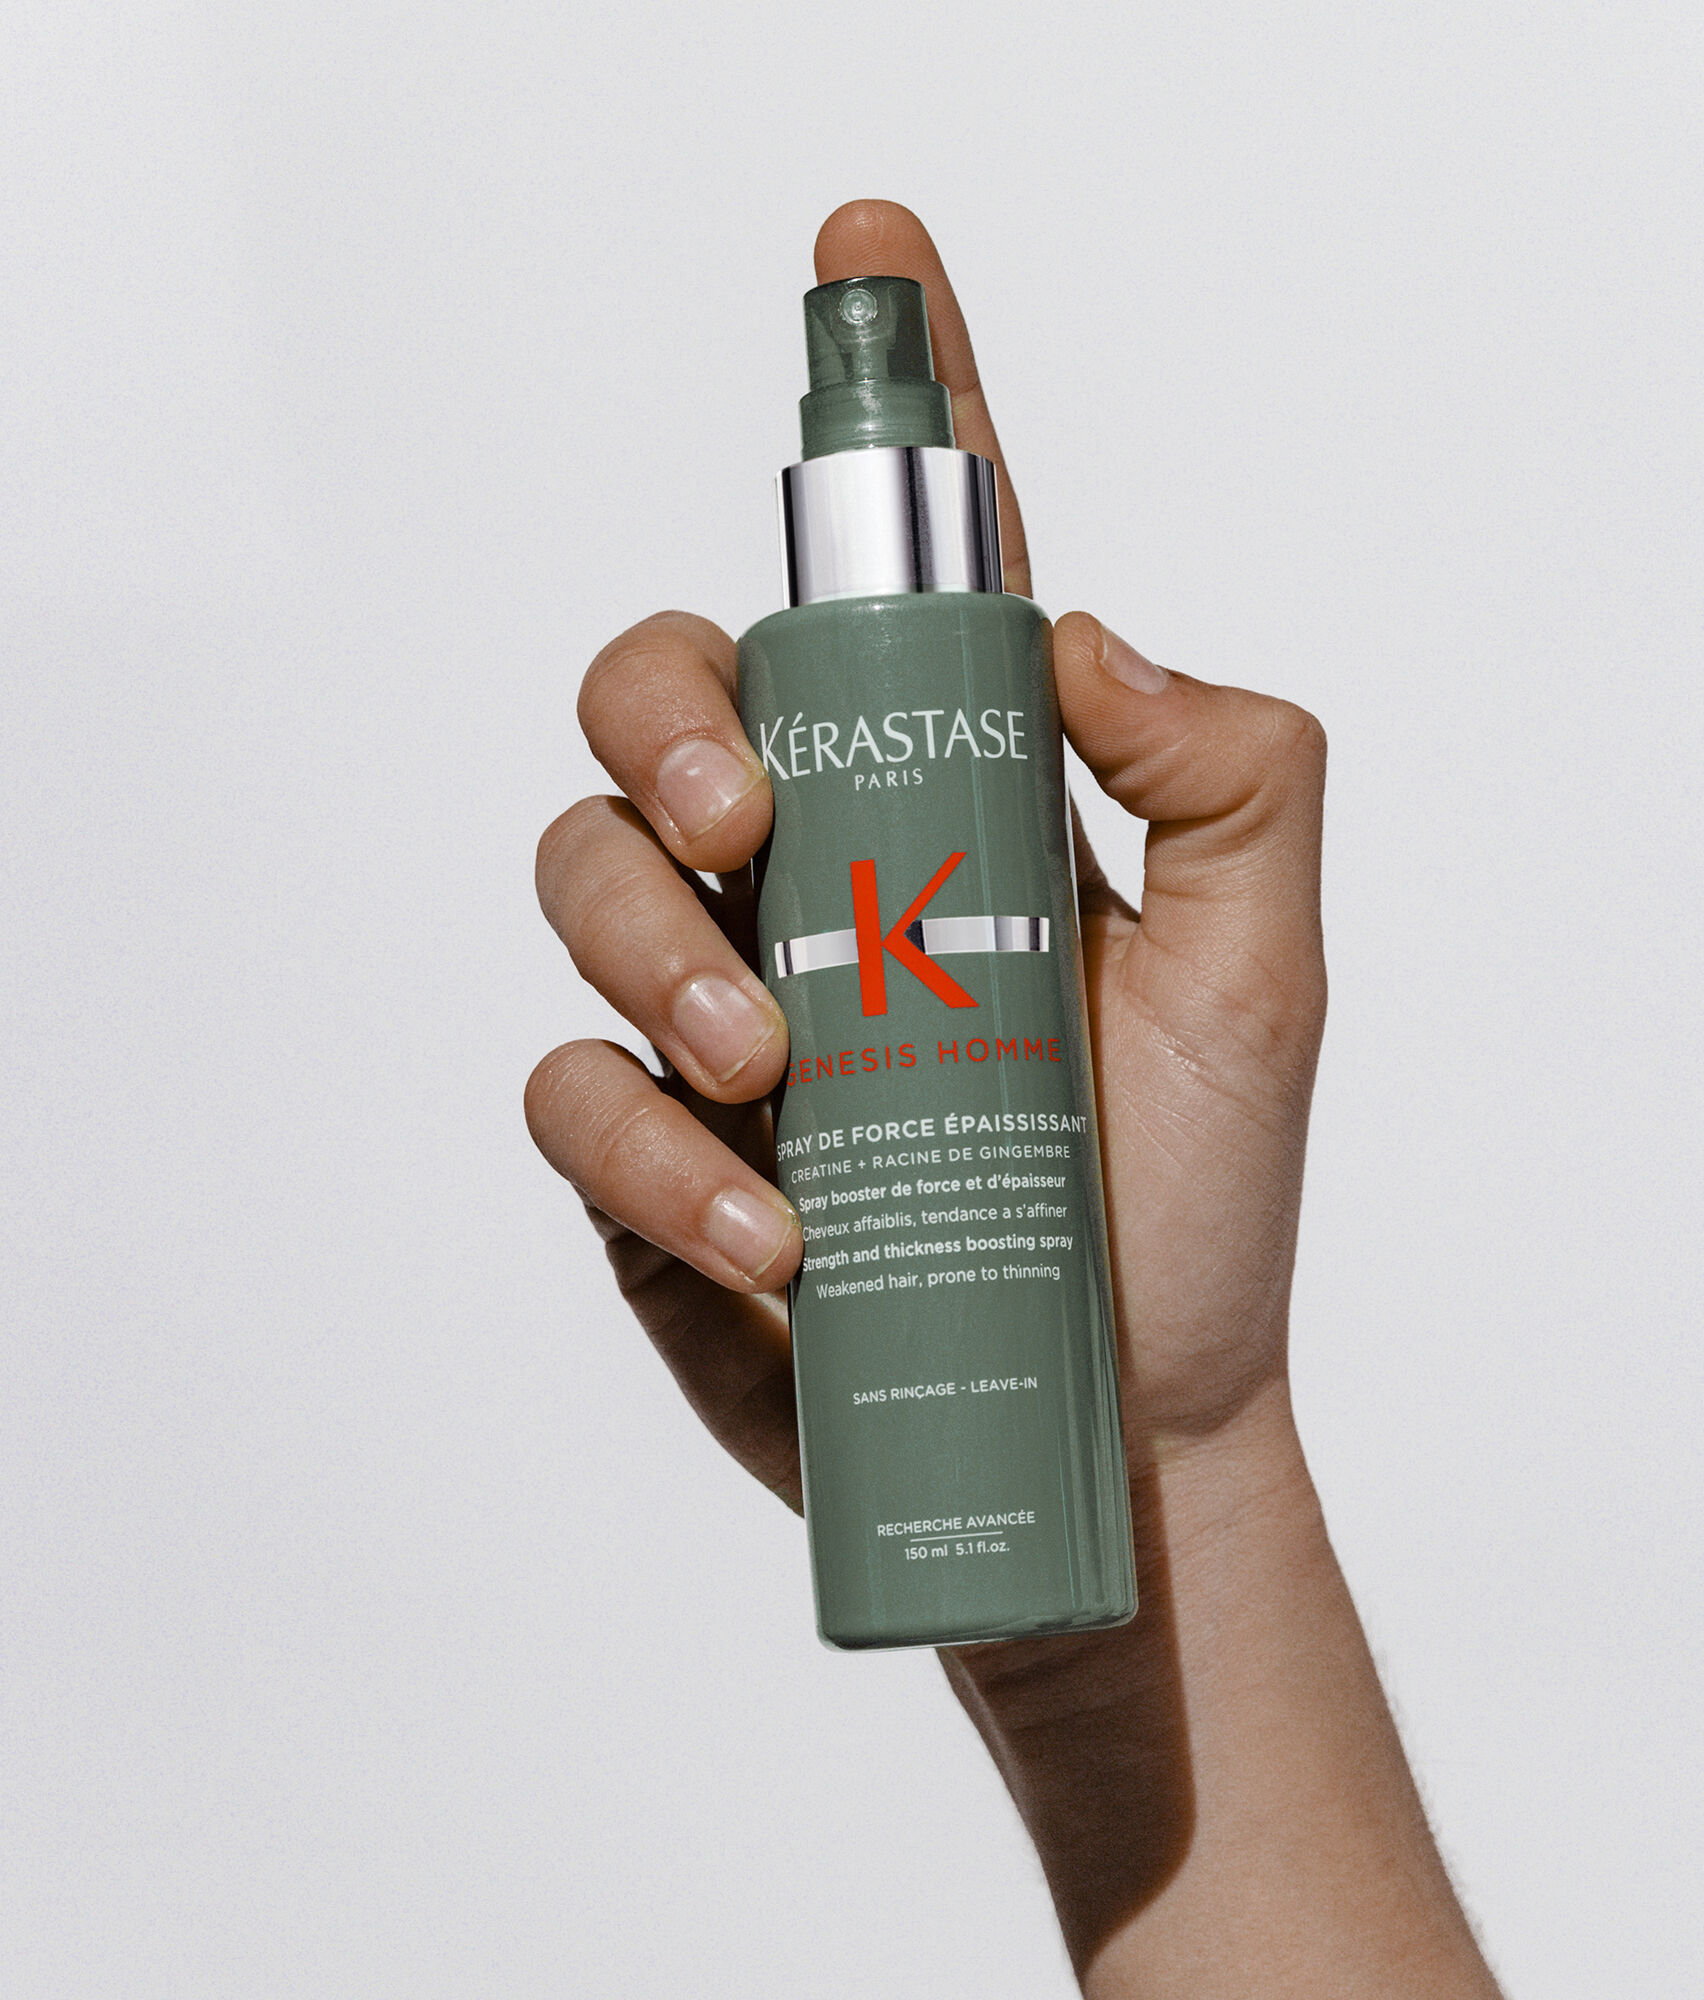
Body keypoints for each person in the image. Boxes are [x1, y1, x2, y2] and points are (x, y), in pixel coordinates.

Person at [525, 200, 1504, 1998]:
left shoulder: (987, 663)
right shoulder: (800, 685)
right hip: (905, 1244)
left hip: (1057, 1322)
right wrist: (1160, 1492)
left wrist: (1182, 1459)